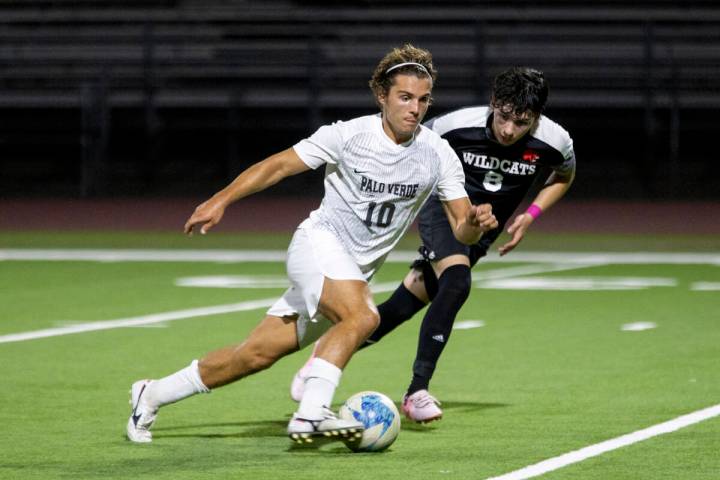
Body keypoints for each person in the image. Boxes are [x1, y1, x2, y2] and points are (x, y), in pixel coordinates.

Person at [125, 44, 498, 444]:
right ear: (382, 96)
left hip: (350, 273)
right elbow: (278, 164)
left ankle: (152, 394)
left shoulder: (437, 152)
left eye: (423, 100)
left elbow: (461, 228)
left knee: (254, 355)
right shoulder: (349, 135)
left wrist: (475, 225)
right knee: (364, 317)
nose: (415, 108)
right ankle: (311, 414)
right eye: (405, 97)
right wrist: (221, 199)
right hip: (318, 245)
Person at [291, 67, 576, 423]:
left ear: (537, 118)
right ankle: (417, 392)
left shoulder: (555, 140)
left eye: (522, 123)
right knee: (456, 282)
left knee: (401, 306)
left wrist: (531, 213)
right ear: (493, 104)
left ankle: (324, 356)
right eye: (503, 117)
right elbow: (412, 144)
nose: (508, 130)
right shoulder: (455, 125)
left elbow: (563, 175)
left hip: (483, 229)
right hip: (443, 211)